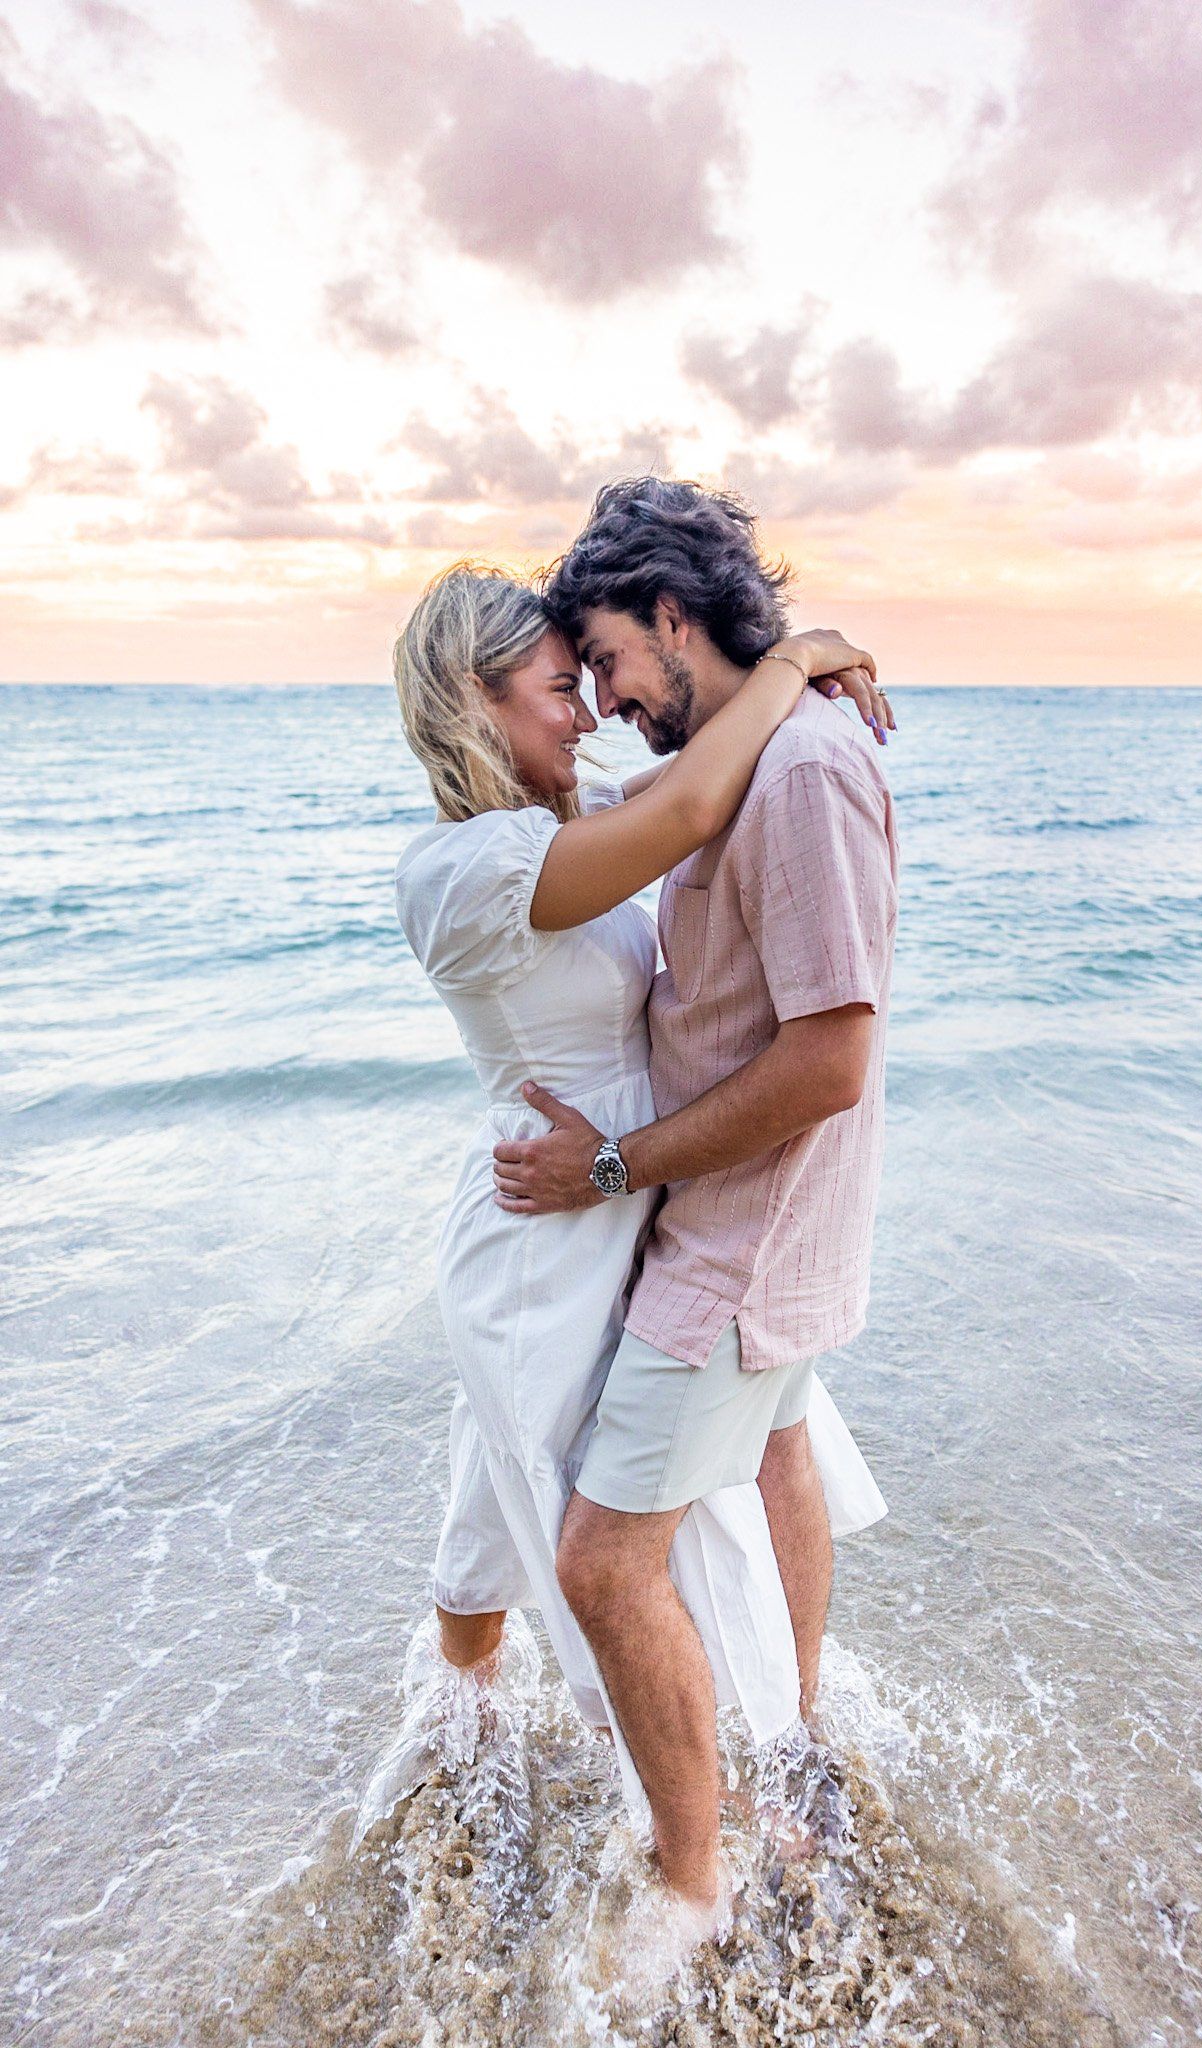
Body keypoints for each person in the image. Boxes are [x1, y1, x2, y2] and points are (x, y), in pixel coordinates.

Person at [386, 553, 889, 1916]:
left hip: (630, 1193)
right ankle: (671, 1813)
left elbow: (687, 779)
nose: (589, 712)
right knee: (568, 1505)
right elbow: (695, 796)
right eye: (560, 687)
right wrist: (789, 663)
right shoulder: (468, 868)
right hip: (550, 1230)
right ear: (472, 699)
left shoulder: (563, 817)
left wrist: (802, 664)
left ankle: (471, 1691)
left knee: (558, 1471)